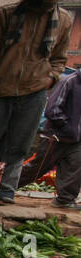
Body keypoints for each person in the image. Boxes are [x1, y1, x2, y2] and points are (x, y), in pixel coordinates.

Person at [0, 0, 75, 205]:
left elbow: (60, 58)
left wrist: (51, 77)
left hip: (35, 89)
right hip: (0, 87)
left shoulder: (63, 20)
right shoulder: (6, 14)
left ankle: (6, 189)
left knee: (19, 144)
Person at [45, 70, 81, 211]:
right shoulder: (69, 81)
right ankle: (4, 189)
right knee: (37, 168)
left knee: (76, 165)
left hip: (77, 137)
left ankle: (64, 199)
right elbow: (52, 109)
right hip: (57, 134)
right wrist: (67, 126)